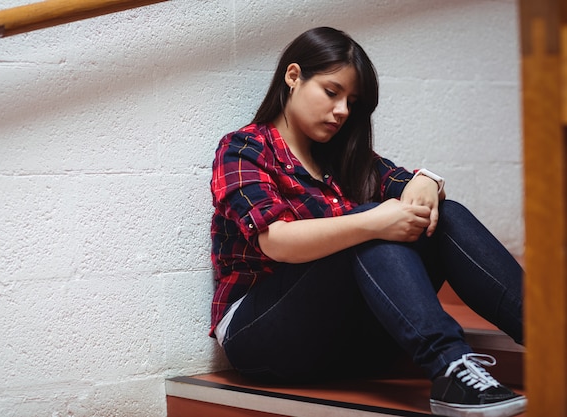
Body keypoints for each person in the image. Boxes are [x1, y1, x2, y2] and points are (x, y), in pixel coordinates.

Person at [209, 27, 526, 417]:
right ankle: (450, 366)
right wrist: (373, 222)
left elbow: (406, 184)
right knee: (364, 223)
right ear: (293, 77)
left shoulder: (343, 158)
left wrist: (426, 182)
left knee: (449, 215)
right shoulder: (244, 148)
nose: (342, 111)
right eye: (331, 92)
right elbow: (277, 241)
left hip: (347, 341)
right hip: (261, 336)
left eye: (351, 102)